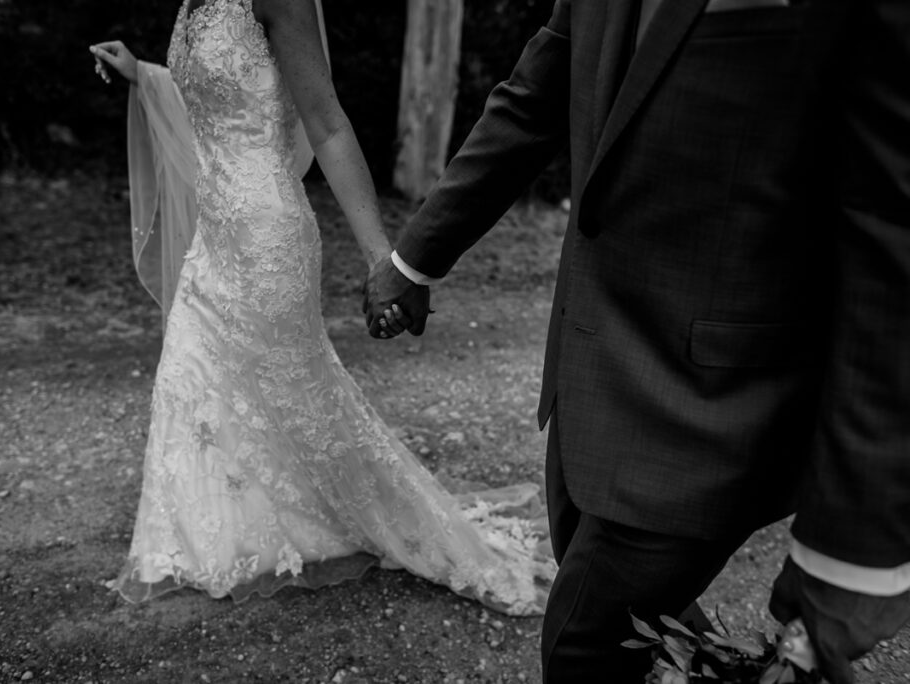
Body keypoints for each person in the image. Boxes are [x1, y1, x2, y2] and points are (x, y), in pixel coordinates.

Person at [363, 0, 910, 681]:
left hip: (718, 402)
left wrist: (859, 541)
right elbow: (536, 96)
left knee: (581, 646)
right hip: (587, 372)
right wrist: (414, 259)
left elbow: (894, 230)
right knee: (651, 632)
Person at [87, 0, 554, 617]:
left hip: (264, 240)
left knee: (297, 396)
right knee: (194, 380)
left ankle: (346, 522)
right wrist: (142, 73)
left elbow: (326, 124)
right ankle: (210, 537)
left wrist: (384, 261)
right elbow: (228, 98)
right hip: (214, 236)